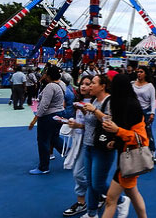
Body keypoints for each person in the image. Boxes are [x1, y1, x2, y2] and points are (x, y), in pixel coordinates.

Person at [81, 74, 131, 218]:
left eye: (93, 83)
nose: (89, 86)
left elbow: (109, 122)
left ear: (102, 86)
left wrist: (94, 111)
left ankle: (121, 200)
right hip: (88, 145)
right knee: (89, 182)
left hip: (102, 147)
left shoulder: (109, 101)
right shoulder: (94, 100)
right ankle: (91, 213)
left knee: (98, 183)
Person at [28, 65, 67, 174]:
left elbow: (44, 105)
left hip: (49, 116)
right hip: (59, 113)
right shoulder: (62, 84)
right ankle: (69, 153)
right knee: (54, 137)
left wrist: (35, 119)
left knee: (43, 140)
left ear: (48, 75)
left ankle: (43, 167)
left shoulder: (50, 86)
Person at [62, 77, 91, 217]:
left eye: (88, 84)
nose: (83, 87)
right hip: (79, 140)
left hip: (90, 142)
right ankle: (82, 202)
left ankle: (98, 194)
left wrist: (79, 123)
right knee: (82, 173)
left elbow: (95, 126)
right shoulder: (79, 101)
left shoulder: (97, 103)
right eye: (82, 84)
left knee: (79, 173)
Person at [132, 68, 156, 153]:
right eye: (137, 72)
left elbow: (153, 101)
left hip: (146, 111)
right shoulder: (132, 84)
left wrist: (152, 113)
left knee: (147, 131)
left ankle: (152, 150)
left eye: (141, 72)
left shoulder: (150, 86)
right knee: (135, 131)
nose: (139, 74)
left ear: (145, 74)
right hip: (135, 111)